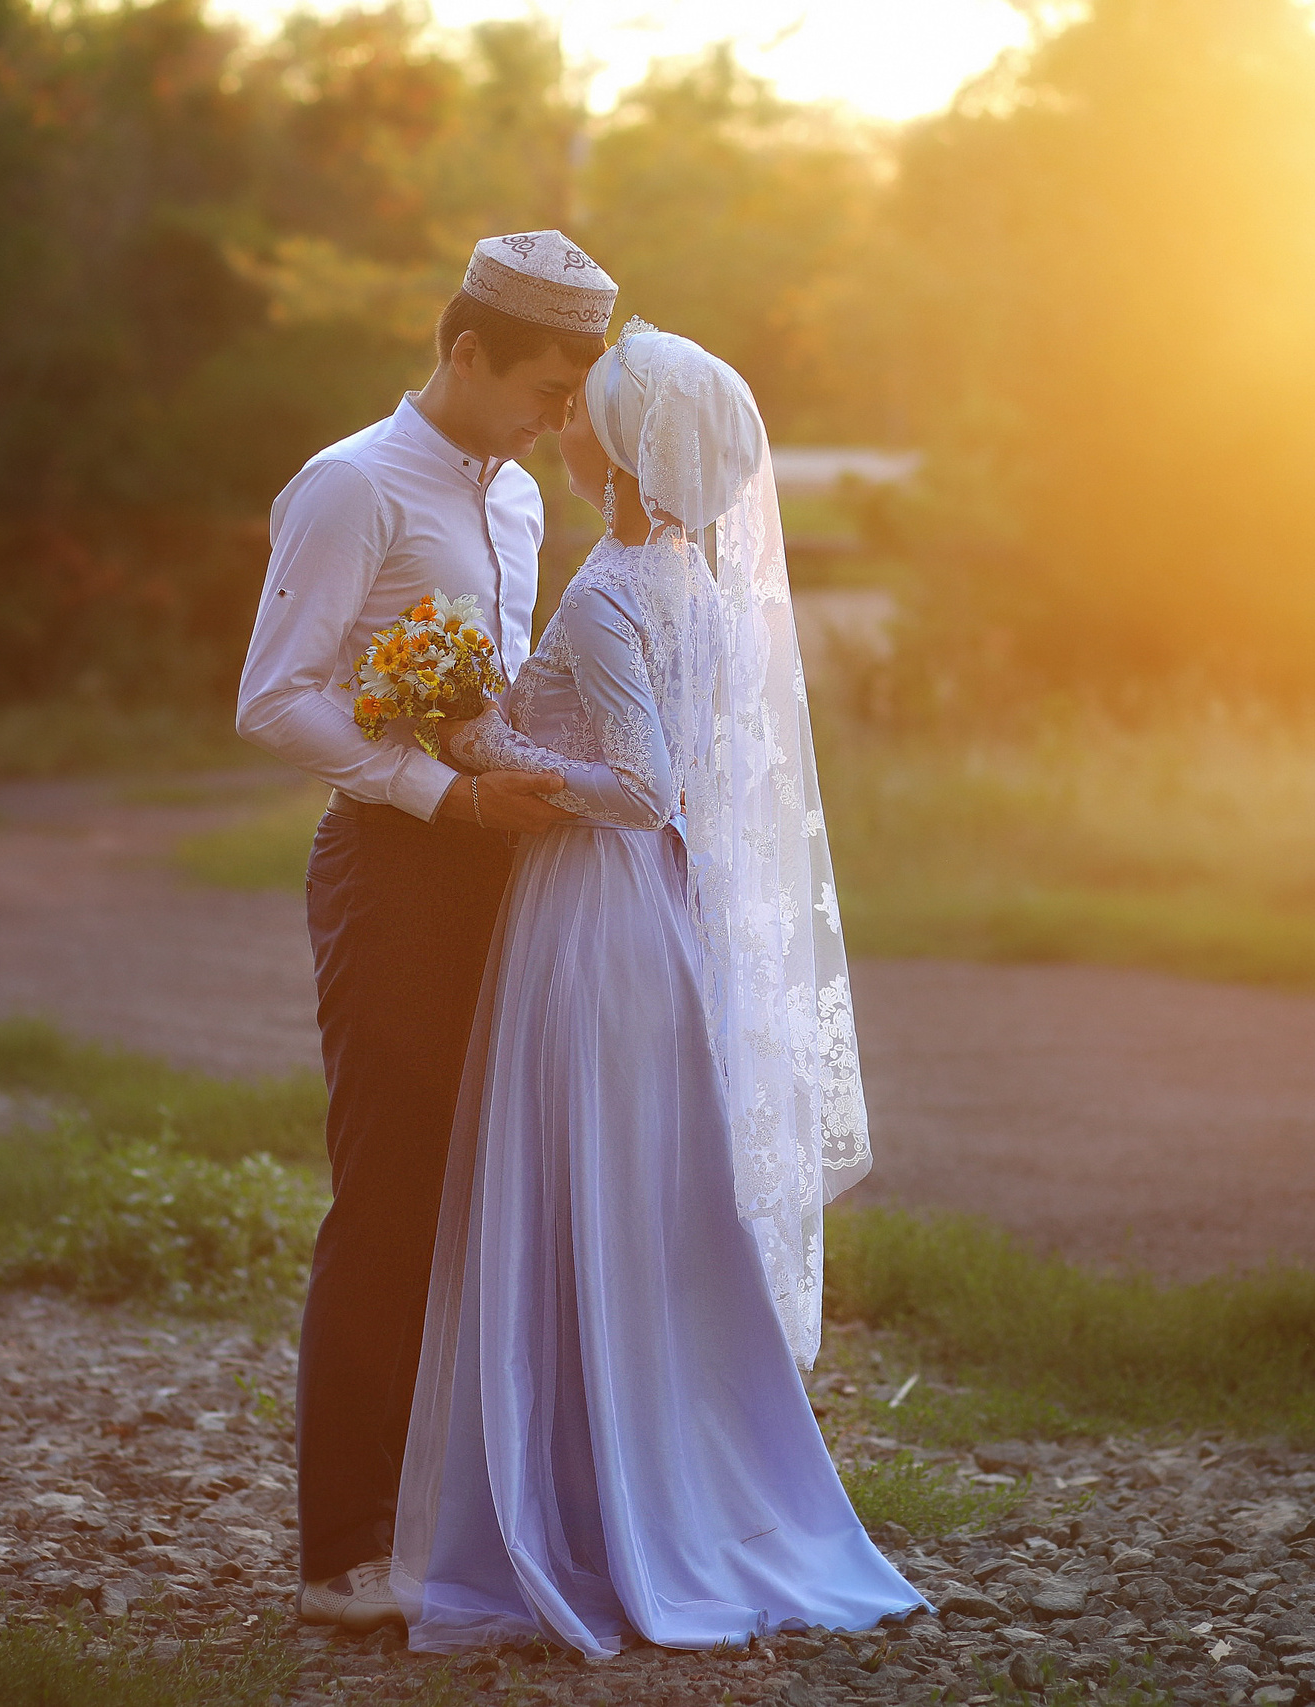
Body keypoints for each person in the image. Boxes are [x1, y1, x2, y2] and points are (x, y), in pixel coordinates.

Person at [389, 320, 925, 1656]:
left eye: (582, 414)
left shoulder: (612, 585)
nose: (562, 425)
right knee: (634, 1202)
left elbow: (639, 790)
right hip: (661, 923)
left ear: (621, 448)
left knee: (586, 1195)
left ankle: (590, 1510)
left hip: (597, 919)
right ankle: (648, 1477)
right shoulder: (694, 578)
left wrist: (482, 737)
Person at [235, 231, 616, 1633]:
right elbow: (275, 700)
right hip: (393, 872)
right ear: (465, 352)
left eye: (576, 393)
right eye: (543, 385)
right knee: (391, 1199)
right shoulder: (349, 485)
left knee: (489, 1199)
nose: (556, 417)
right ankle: (342, 1554)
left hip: (499, 868)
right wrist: (441, 795)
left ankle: (452, 1521)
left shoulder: (516, 500)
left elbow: (485, 688)